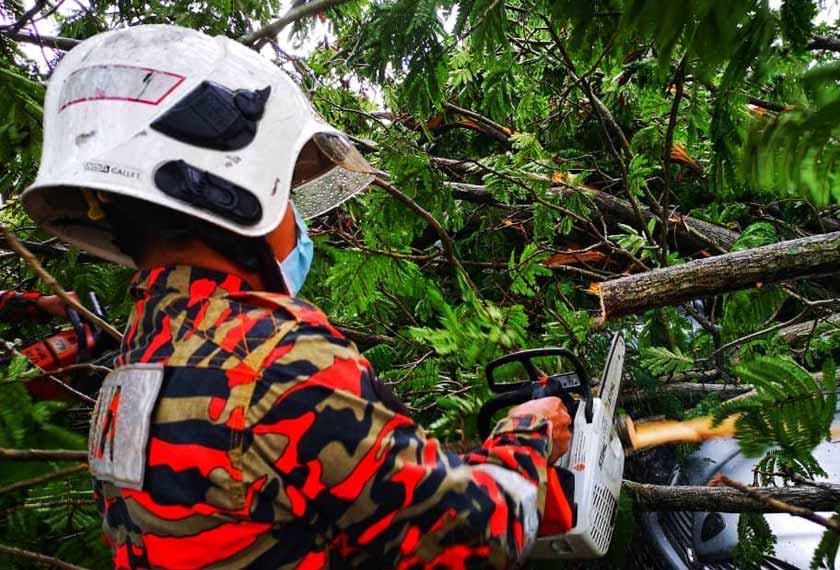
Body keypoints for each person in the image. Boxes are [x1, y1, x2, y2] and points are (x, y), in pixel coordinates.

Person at [22, 25, 573, 569]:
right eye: (286, 191)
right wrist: (530, 431)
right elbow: (480, 534)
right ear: (228, 191)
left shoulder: (140, 359)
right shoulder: (274, 363)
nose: (298, 218)